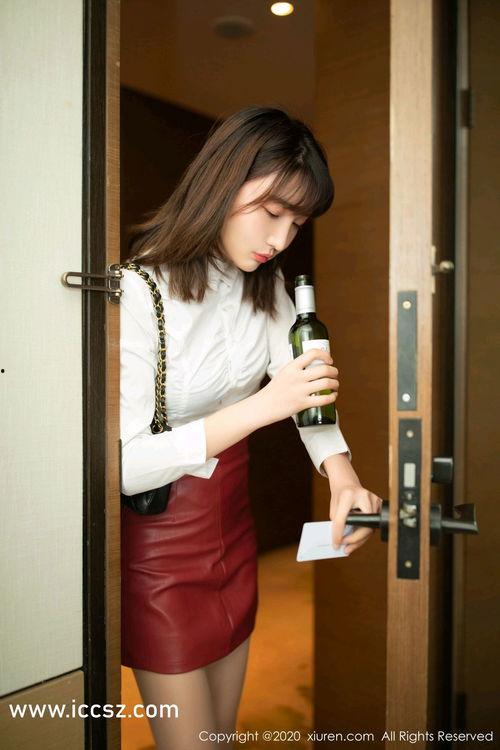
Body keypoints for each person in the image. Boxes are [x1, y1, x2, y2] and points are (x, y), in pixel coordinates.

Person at [120, 106, 382, 749]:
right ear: (224, 180)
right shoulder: (136, 291)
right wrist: (265, 405)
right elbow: (123, 466)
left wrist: (343, 475)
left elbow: (306, 398)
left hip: (232, 528)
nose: (282, 238)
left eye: (297, 223)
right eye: (272, 212)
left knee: (222, 737)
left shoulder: (265, 289)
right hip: (159, 546)